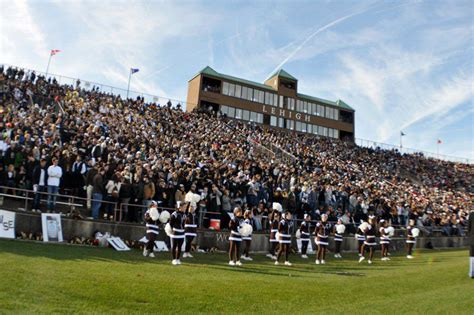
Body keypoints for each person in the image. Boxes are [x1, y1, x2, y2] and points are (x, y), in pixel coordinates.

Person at [469, 210, 474, 278]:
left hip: (472, 238)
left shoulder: (472, 214)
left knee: (472, 256)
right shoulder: (471, 214)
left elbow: (468, 227)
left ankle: (472, 273)